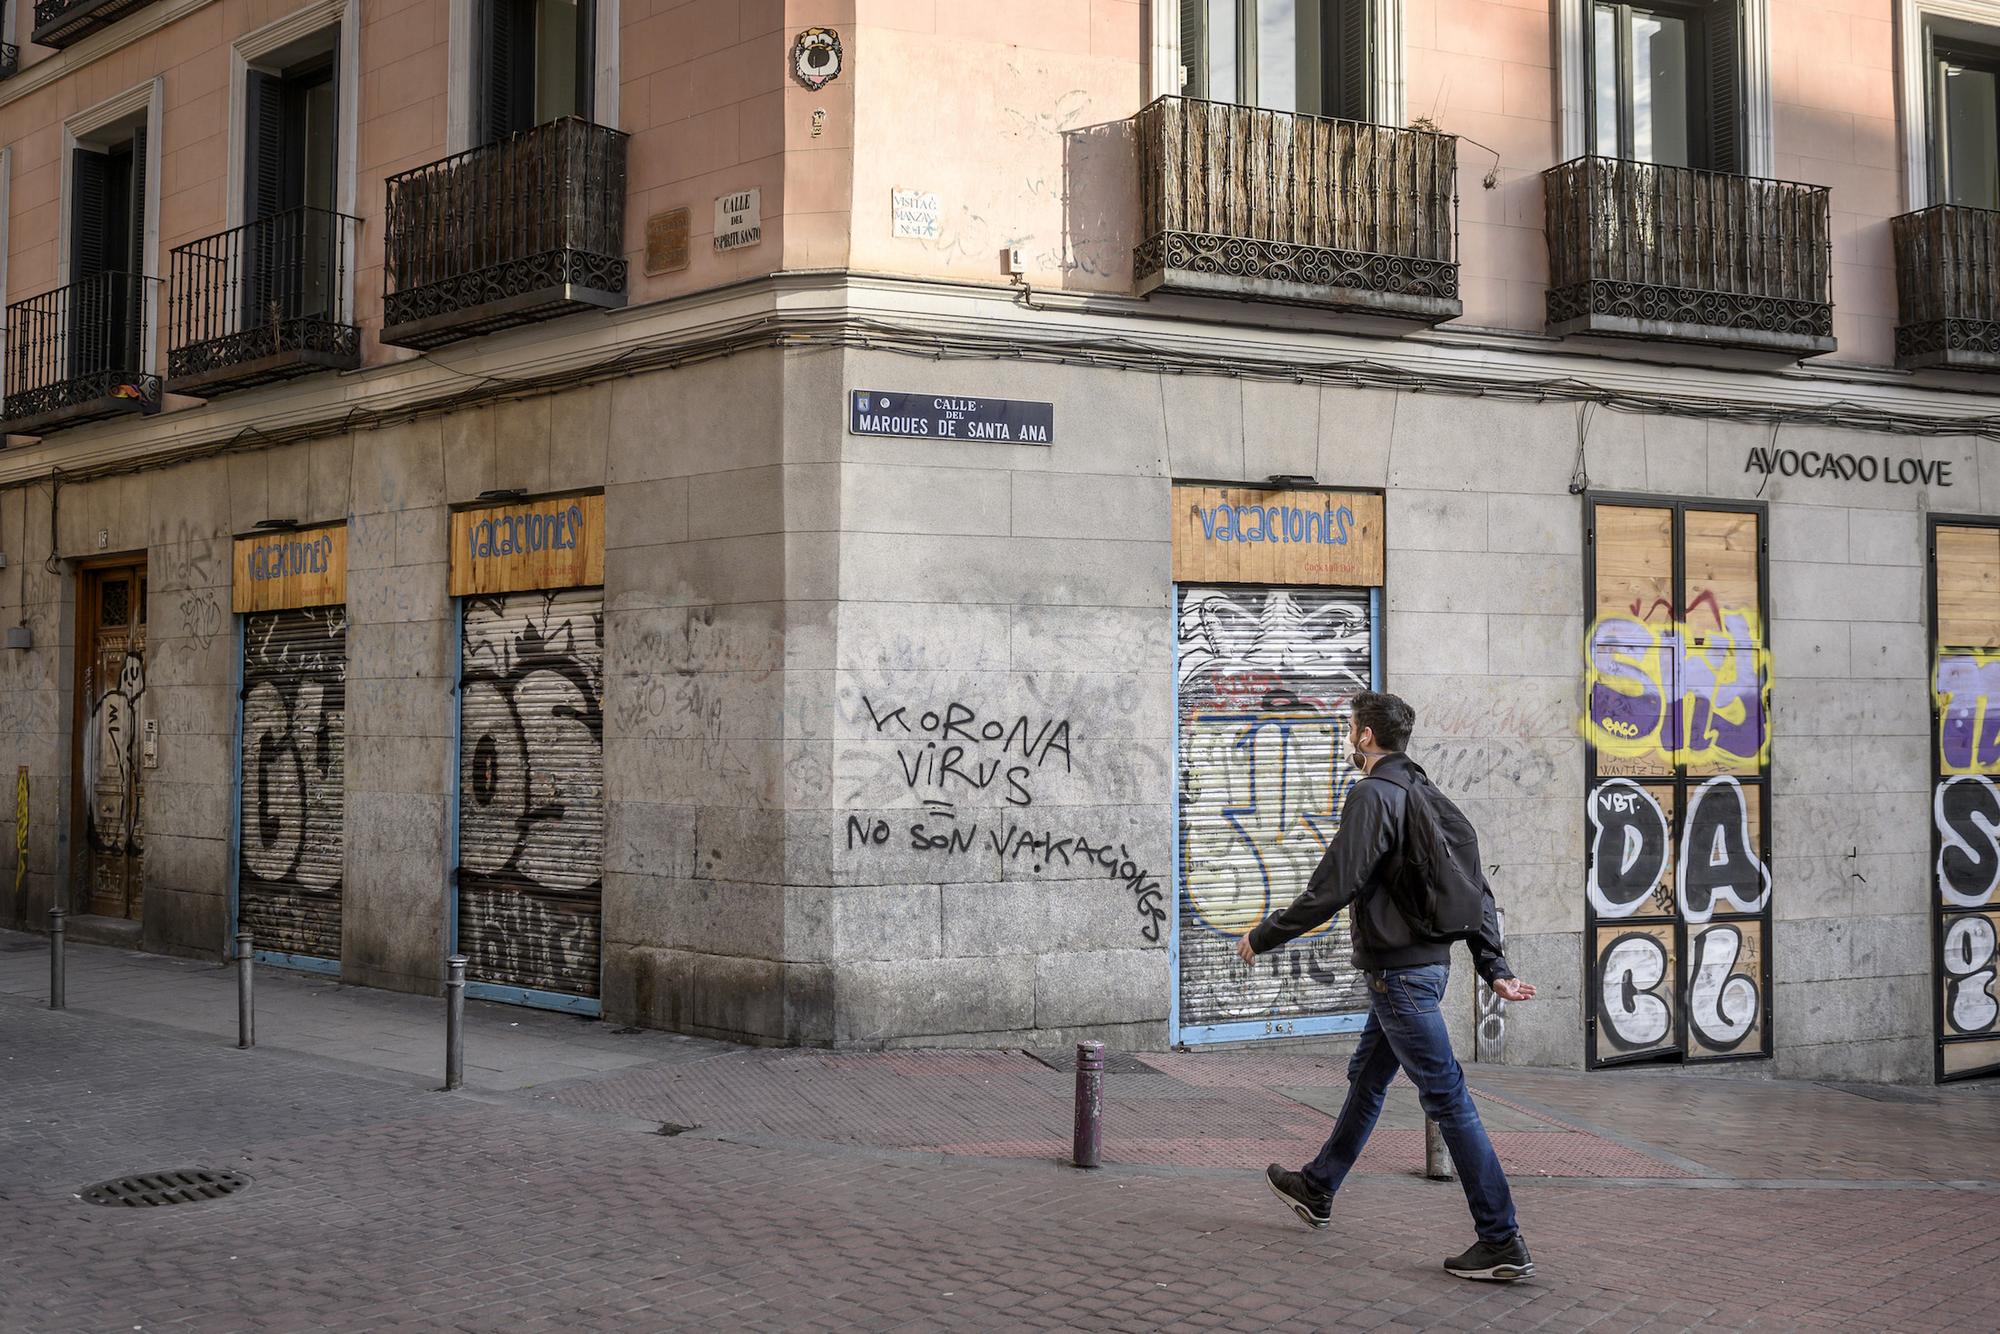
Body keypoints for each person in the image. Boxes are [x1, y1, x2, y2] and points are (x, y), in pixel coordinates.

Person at [1236, 690, 1538, 1282]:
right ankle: (1319, 1186)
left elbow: (1334, 884)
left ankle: (1501, 1238)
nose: (1349, 736)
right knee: (1368, 1078)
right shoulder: (1429, 796)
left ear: (1367, 737)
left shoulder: (1374, 794)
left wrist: (1266, 934)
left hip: (1397, 976)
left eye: (1350, 727)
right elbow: (1476, 891)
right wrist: (1493, 966)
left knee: (1448, 1099)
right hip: (1421, 971)